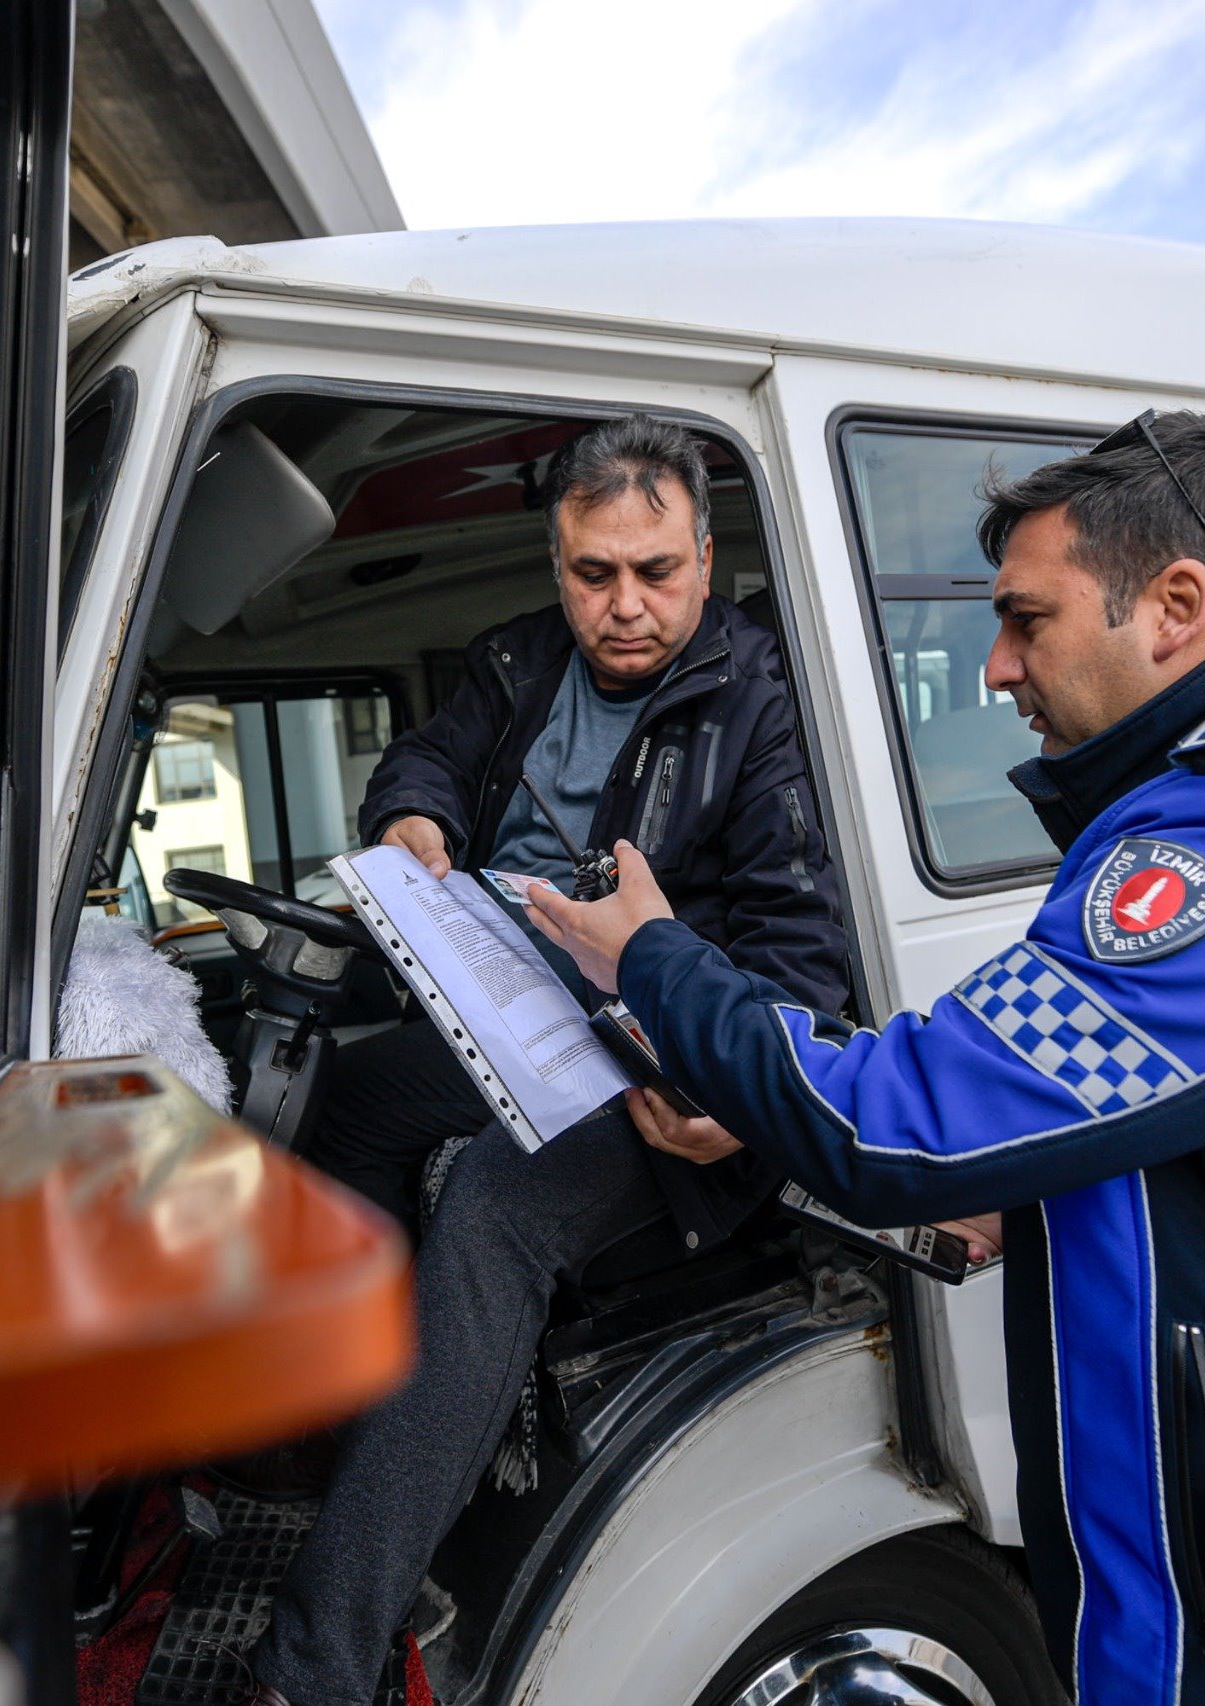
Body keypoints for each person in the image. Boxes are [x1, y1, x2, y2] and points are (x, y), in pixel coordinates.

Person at [528, 411, 1205, 1704]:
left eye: (1027, 619)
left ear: (1173, 605)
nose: (995, 666)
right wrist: (1024, 1180)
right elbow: (1191, 1137)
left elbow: (905, 1120)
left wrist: (654, 956)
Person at [242, 414, 850, 1706]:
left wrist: (741, 1105)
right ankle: (373, 1470)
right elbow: (426, 756)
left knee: (495, 1207)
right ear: (556, 558)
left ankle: (319, 1664)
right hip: (510, 1012)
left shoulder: (759, 709)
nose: (624, 606)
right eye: (592, 573)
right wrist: (416, 812)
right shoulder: (519, 659)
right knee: (343, 1106)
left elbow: (805, 970)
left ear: (703, 554)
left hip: (672, 1076)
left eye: (657, 571)